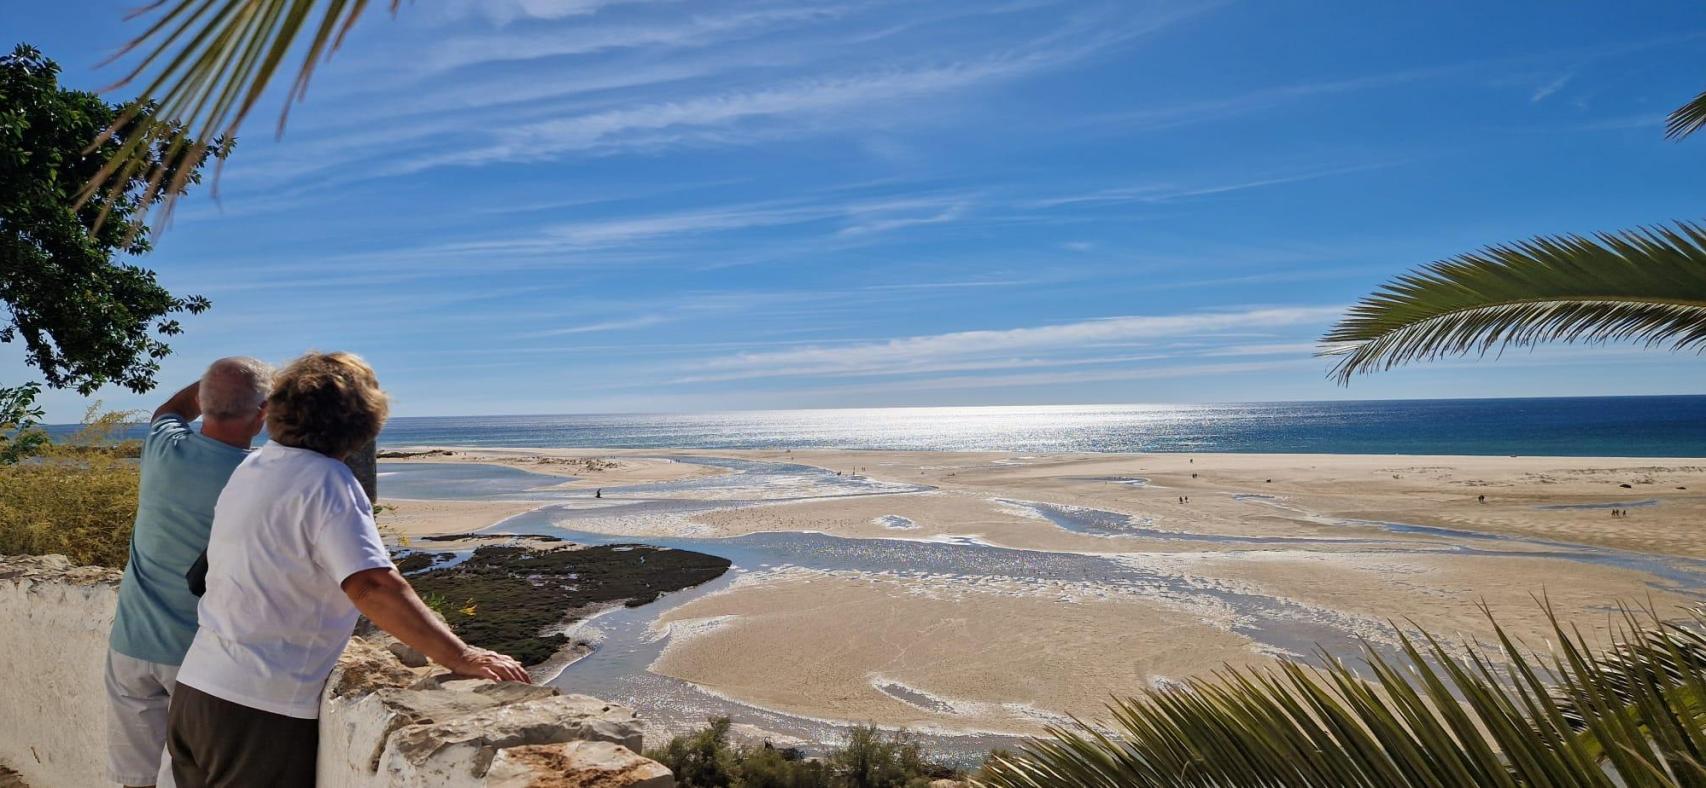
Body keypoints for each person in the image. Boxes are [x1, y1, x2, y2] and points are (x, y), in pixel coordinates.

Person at [165, 352, 531, 787]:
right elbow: (371, 585)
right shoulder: (325, 480)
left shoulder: (255, 467)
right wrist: (459, 656)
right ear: (362, 423)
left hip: (197, 687)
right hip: (258, 705)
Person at [106, 358, 272, 788]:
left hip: (130, 645)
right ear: (262, 414)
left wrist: (214, 385)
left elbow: (170, 410)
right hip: (197, 657)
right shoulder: (257, 477)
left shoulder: (163, 447)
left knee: (137, 780)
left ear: (203, 399)